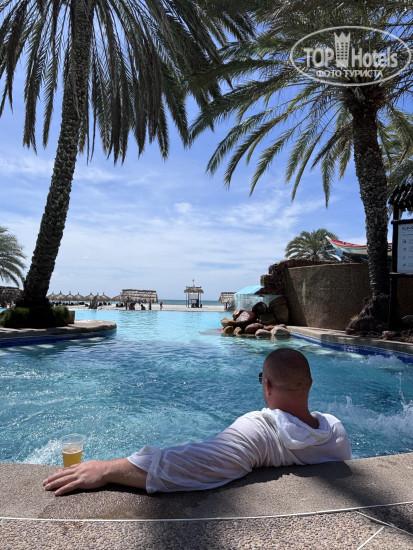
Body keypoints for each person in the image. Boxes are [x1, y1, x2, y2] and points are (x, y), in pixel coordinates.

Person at [43, 348, 351, 496]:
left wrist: (106, 469)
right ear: (310, 383)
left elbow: (192, 463)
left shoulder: (260, 431)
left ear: (267, 385)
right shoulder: (336, 431)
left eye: (262, 380)